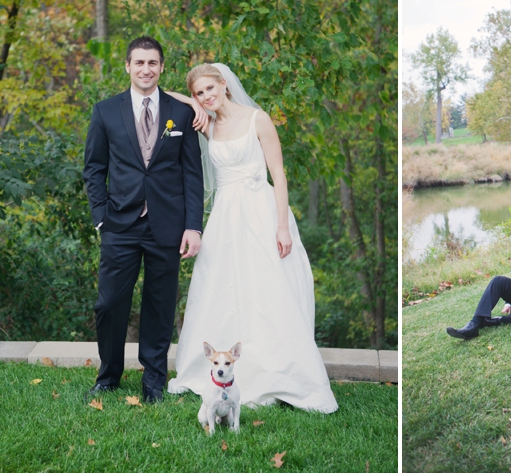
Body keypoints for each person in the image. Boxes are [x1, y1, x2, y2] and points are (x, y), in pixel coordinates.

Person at [165, 63, 338, 414]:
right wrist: (194, 105)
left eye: (210, 89)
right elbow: (163, 93)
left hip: (261, 213)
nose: (206, 97)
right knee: (223, 290)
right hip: (226, 219)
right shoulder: (208, 124)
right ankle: (221, 371)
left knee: (268, 290)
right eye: (199, 93)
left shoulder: (257, 119)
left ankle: (278, 372)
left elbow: (279, 174)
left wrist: (282, 227)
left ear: (224, 84)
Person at [83, 36, 204, 403]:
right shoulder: (105, 111)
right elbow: (93, 169)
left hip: (167, 225)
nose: (146, 69)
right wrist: (101, 217)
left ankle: (154, 381)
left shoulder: (181, 113)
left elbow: (192, 175)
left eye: (153, 63)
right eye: (139, 63)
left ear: (162, 67)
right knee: (109, 304)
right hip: (119, 224)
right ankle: (109, 375)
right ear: (128, 66)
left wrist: (193, 225)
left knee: (160, 304)